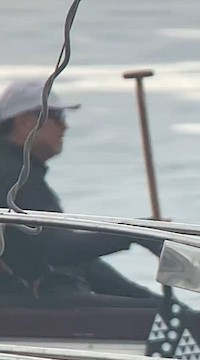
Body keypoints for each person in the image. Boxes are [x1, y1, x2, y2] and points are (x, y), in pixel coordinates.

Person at [0, 79, 161, 302]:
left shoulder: (20, 172)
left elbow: (79, 261)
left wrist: (150, 300)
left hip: (45, 295)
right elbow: (54, 249)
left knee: (158, 310)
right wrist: (135, 233)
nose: (65, 127)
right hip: (25, 307)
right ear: (26, 122)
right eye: (58, 117)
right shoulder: (10, 175)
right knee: (162, 316)